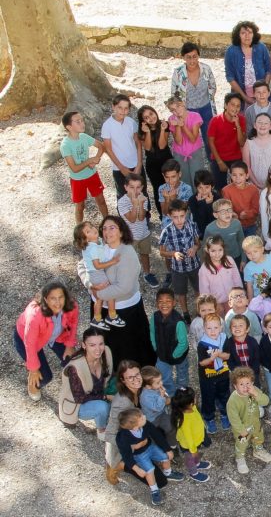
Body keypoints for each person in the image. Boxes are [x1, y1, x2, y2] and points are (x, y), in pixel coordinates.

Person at [81, 216, 155, 368]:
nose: (107, 231)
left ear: (121, 232)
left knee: (130, 353)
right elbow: (82, 267)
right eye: (104, 228)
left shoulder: (127, 253)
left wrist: (98, 294)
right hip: (101, 310)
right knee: (105, 352)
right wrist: (90, 285)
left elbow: (124, 288)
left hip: (125, 312)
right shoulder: (98, 247)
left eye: (112, 227)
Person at [115, 408, 184, 506]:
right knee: (149, 470)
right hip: (139, 455)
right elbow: (126, 455)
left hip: (150, 447)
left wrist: (167, 449)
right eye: (142, 418)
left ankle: (168, 473)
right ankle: (154, 490)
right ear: (135, 427)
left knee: (165, 457)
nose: (144, 417)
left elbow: (156, 435)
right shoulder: (122, 437)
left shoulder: (145, 424)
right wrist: (137, 469)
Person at [57, 328, 113, 433]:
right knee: (103, 407)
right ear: (84, 345)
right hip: (78, 404)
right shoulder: (75, 367)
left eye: (100, 344)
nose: (98, 349)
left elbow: (111, 374)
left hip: (98, 394)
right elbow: (79, 398)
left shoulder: (106, 352)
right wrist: (106, 397)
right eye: (92, 345)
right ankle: (102, 429)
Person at [61, 111, 109, 223]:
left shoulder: (84, 137)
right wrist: (89, 161)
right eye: (78, 122)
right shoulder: (65, 145)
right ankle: (79, 230)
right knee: (80, 206)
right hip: (77, 179)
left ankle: (107, 223)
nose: (82, 123)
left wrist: (96, 159)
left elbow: (101, 147)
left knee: (101, 200)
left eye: (82, 120)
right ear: (69, 127)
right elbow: (74, 168)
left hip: (92, 175)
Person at [170, 42, 218, 154]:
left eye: (195, 56)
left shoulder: (206, 69)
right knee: (190, 139)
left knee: (209, 138)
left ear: (198, 56)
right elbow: (174, 94)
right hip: (188, 111)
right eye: (188, 57)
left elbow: (213, 86)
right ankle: (193, 162)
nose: (192, 60)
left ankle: (212, 162)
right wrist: (180, 111)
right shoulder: (178, 73)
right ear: (183, 58)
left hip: (206, 108)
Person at [226, 366, 271, 474]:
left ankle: (258, 449)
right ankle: (240, 458)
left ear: (252, 383)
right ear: (235, 386)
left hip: (256, 423)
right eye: (241, 384)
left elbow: (266, 402)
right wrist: (241, 430)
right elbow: (233, 418)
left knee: (258, 436)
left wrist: (256, 394)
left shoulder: (254, 390)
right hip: (242, 428)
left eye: (248, 383)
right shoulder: (233, 400)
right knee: (242, 443)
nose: (245, 387)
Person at [101, 94, 144, 198]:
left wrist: (139, 164)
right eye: (120, 107)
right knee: (124, 197)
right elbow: (108, 149)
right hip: (119, 168)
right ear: (113, 107)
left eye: (126, 108)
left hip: (136, 165)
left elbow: (138, 143)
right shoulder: (107, 126)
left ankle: (144, 214)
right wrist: (122, 168)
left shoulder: (131, 122)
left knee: (142, 195)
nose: (123, 111)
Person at [224, 21, 271, 107]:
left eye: (250, 32)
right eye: (243, 33)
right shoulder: (231, 51)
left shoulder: (261, 48)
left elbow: (268, 70)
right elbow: (230, 77)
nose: (247, 36)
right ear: (238, 35)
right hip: (241, 97)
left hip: (262, 97)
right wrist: (245, 97)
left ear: (254, 34)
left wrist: (264, 91)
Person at [207, 93, 247, 189]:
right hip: (218, 158)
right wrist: (220, 162)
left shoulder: (241, 120)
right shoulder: (215, 120)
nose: (235, 108)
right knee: (221, 187)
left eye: (238, 106)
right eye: (232, 104)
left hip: (236, 157)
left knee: (238, 185)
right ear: (225, 105)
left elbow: (242, 143)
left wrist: (237, 125)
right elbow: (211, 142)